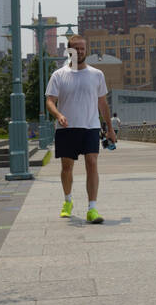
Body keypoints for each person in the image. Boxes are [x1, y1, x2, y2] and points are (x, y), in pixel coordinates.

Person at [46, 35, 117, 224]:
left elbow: (103, 104)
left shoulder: (97, 75)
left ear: (87, 50)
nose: (80, 51)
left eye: (82, 48)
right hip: (66, 127)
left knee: (92, 163)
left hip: (90, 126)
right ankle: (68, 201)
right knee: (67, 167)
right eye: (76, 48)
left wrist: (110, 129)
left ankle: (92, 208)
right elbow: (50, 101)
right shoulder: (59, 75)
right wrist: (58, 115)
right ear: (69, 51)